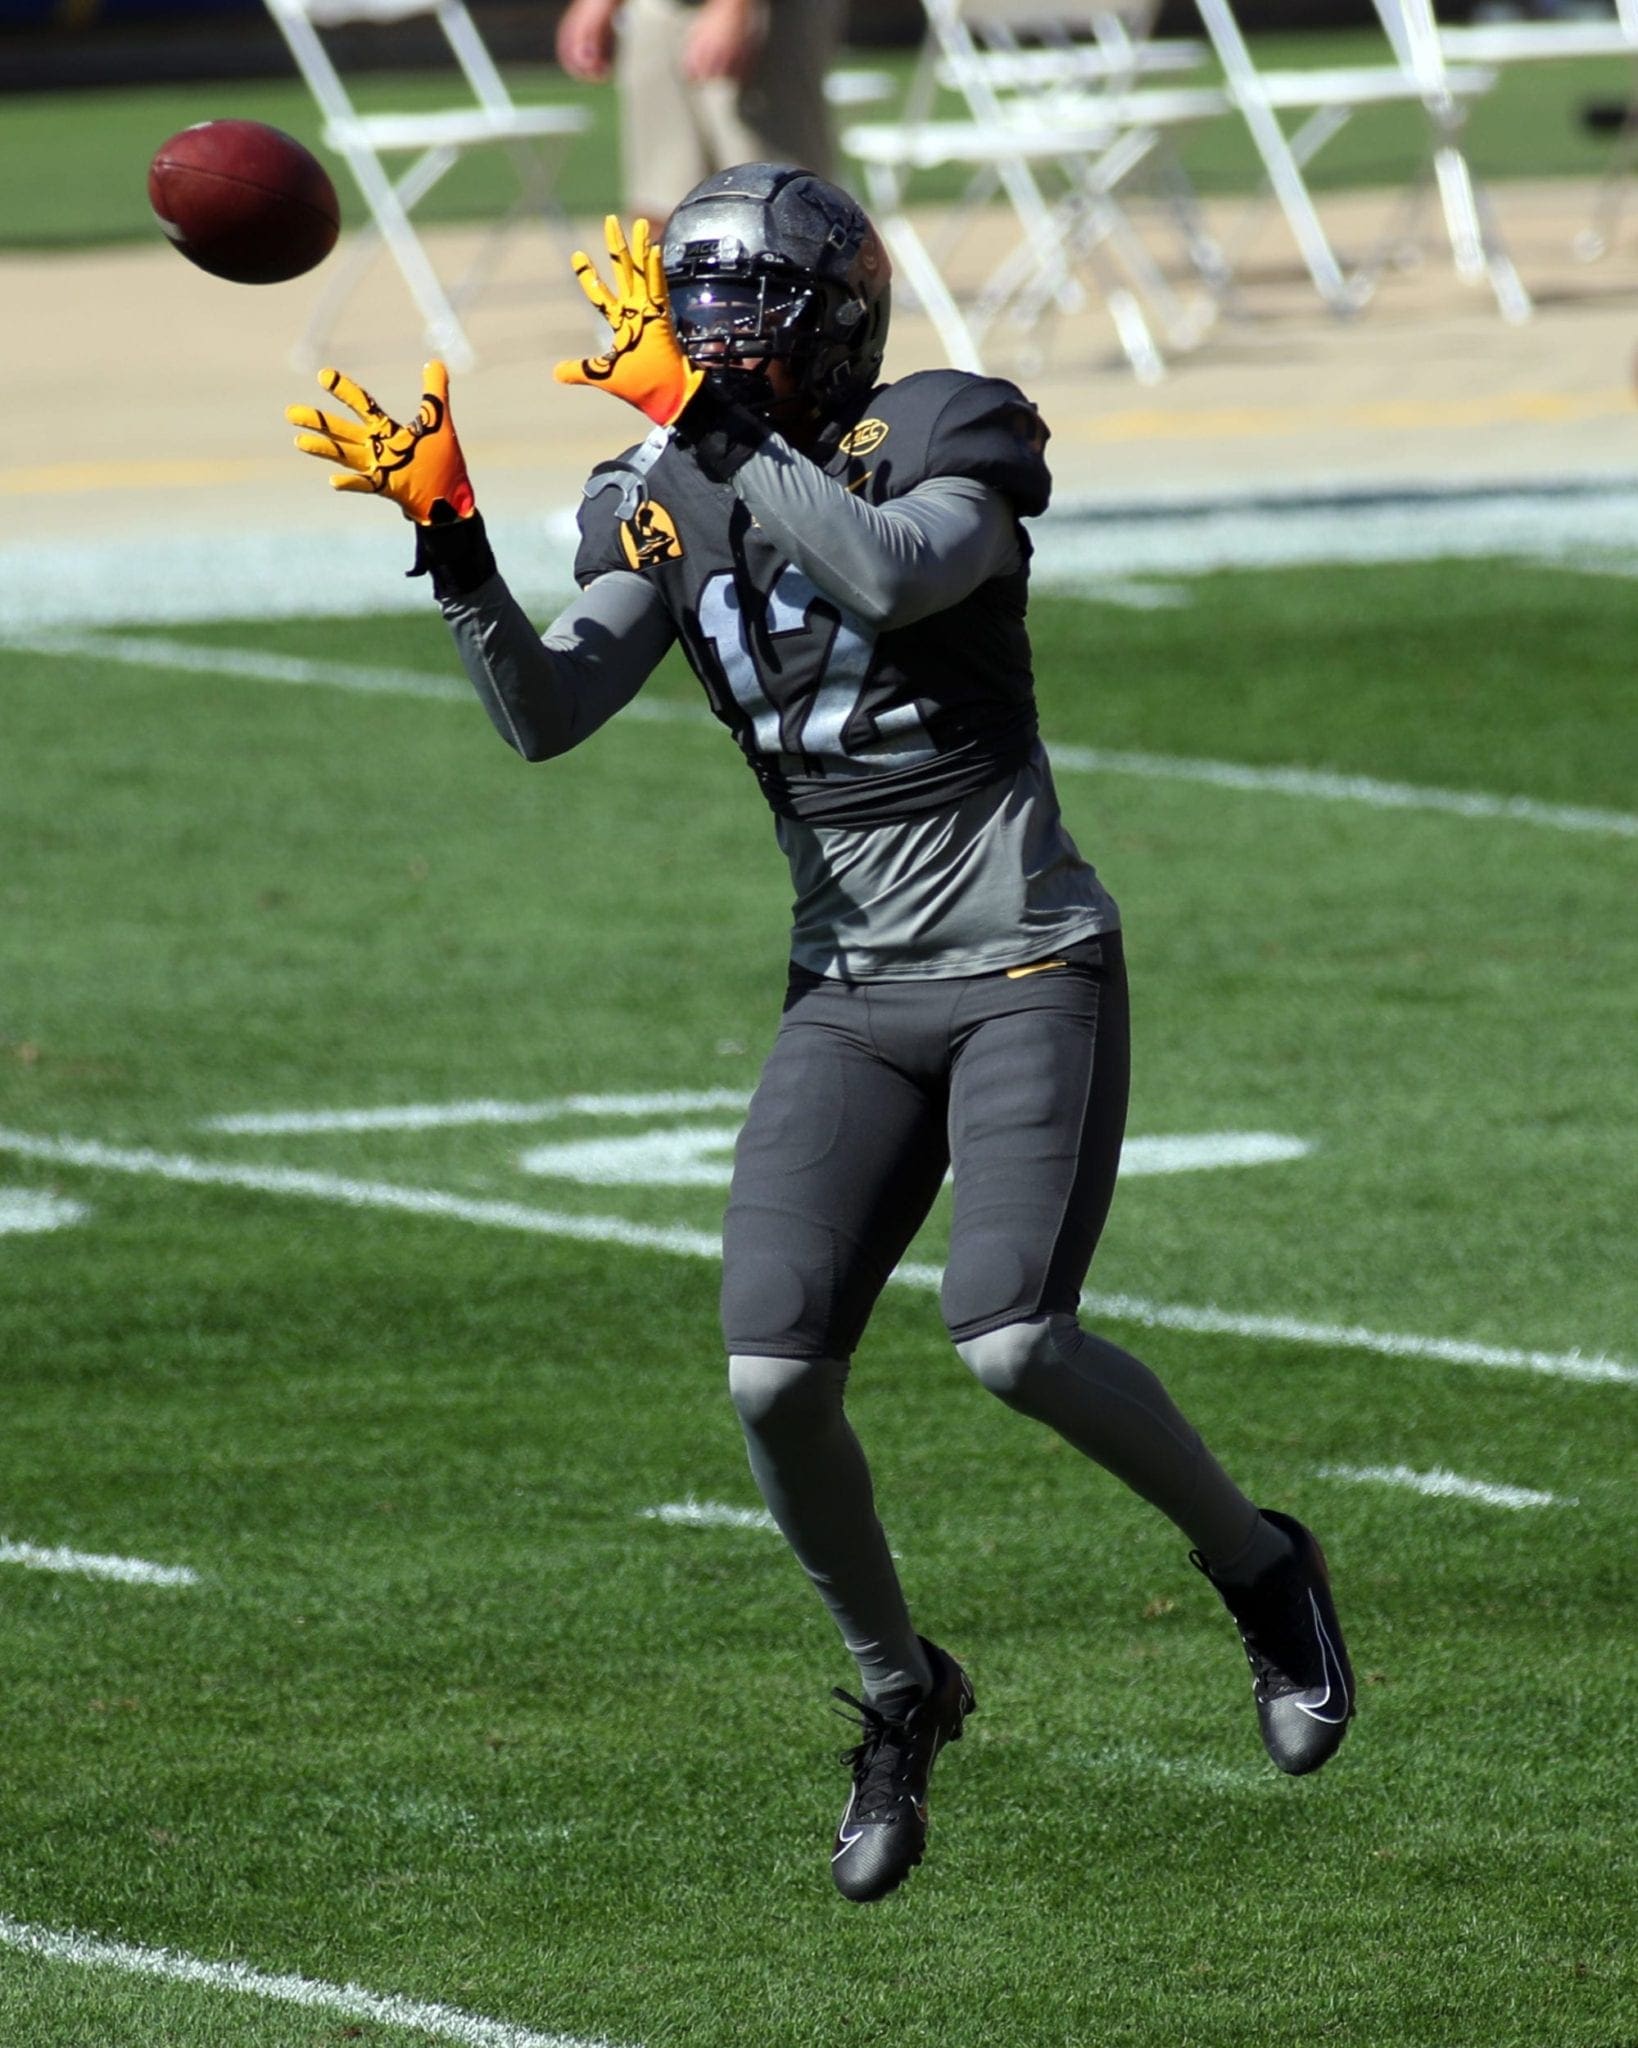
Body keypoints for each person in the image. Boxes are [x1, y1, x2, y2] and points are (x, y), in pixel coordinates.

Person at [285, 162, 1356, 1907]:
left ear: (837, 315)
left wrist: (700, 427)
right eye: (689, 308)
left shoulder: (947, 425)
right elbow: (546, 713)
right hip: (847, 991)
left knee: (1009, 1337)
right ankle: (895, 1687)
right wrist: (454, 545)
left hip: (1021, 961)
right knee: (773, 1379)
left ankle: (1257, 1566)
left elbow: (880, 573)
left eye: (744, 309)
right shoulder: (657, 478)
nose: (711, 336)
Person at [554, 0, 841, 223]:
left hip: (768, 14)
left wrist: (733, 7)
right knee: (661, 208)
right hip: (660, 10)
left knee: (777, 210)